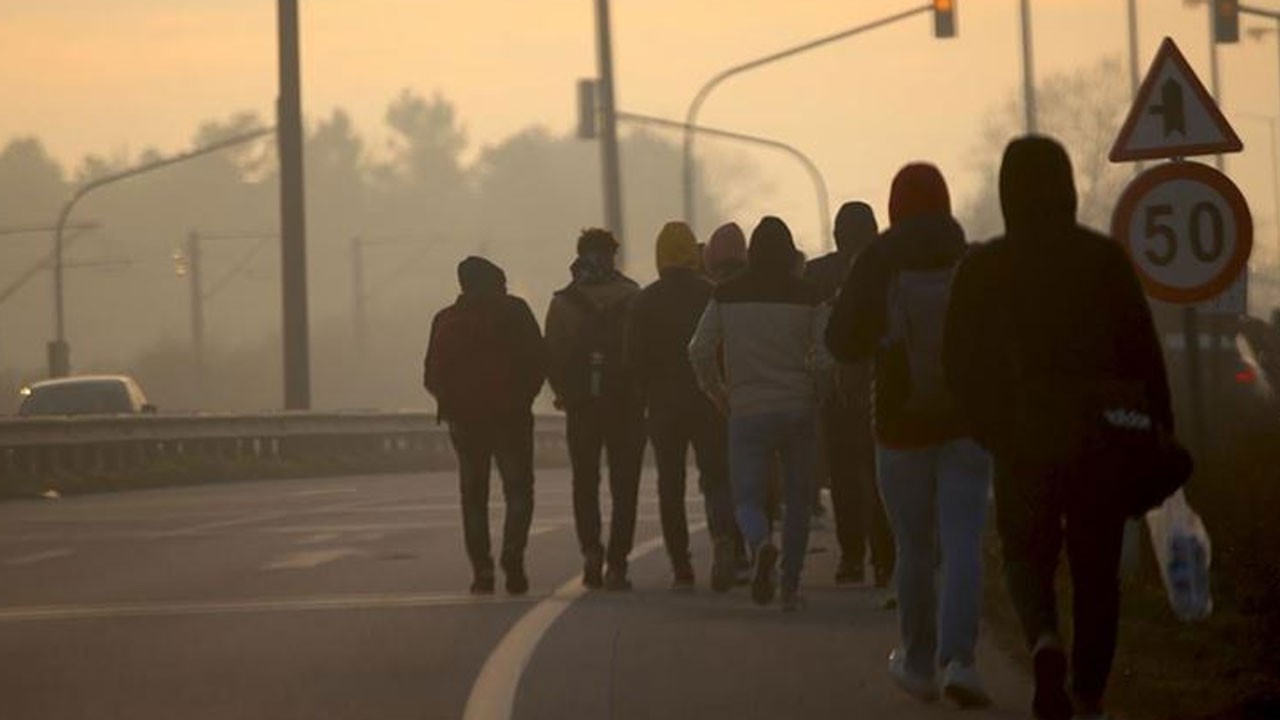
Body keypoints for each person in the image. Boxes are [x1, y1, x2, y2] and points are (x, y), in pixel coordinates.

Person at [943, 136, 1173, 720]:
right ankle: (1089, 691)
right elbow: (1144, 354)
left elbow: (958, 363)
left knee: (1025, 551)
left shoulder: (984, 267)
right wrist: (1159, 434)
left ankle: (1045, 638)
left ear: (1005, 192)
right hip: (1101, 437)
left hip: (1022, 436)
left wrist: (987, 427)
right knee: (1097, 567)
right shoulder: (1103, 259)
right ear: (1068, 186)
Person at [826, 164, 991, 707]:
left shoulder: (877, 259)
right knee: (963, 538)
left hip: (899, 424)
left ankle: (918, 663)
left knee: (915, 546)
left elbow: (840, 341)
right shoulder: (968, 255)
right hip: (967, 422)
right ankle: (962, 660)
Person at [689, 216, 824, 612]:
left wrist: (717, 392)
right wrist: (817, 392)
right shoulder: (810, 294)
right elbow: (826, 357)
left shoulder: (727, 294)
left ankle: (761, 543)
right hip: (798, 408)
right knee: (798, 500)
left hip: (746, 410)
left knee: (746, 497)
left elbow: (698, 348)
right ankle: (790, 587)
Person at [423, 256, 546, 596]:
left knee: (473, 495)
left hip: (465, 422)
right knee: (518, 490)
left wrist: (452, 403)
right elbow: (539, 359)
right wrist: (523, 398)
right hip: (511, 418)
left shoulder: (445, 319)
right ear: (497, 282)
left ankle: (482, 570)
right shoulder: (516, 312)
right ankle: (513, 555)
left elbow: (430, 375)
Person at [627, 221, 737, 592]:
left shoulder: (644, 301)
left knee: (670, 484)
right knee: (717, 476)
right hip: (708, 401)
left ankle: (681, 564)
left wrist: (645, 396)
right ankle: (724, 541)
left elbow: (633, 360)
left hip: (663, 407)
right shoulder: (713, 294)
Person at [545, 228, 646, 591]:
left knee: (585, 483)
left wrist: (564, 394)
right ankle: (618, 564)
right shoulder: (634, 297)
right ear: (613, 255)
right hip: (626, 406)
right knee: (625, 486)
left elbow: (551, 357)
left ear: (580, 255)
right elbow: (643, 353)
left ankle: (591, 551)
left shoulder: (562, 303)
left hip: (582, 408)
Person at [806, 201, 896, 587]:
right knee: (880, 476)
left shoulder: (816, 273)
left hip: (834, 391)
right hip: (881, 388)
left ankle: (852, 557)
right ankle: (884, 558)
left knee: (842, 476)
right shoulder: (888, 269)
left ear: (837, 234)